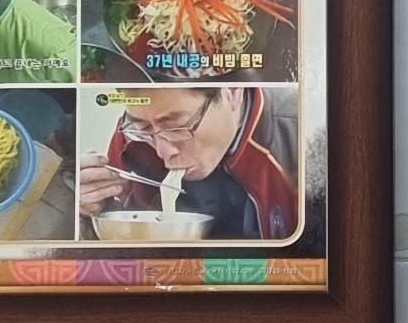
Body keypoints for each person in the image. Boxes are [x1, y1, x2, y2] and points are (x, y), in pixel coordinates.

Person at [78, 83, 296, 241]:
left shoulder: (301, 138)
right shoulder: (133, 138)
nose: (163, 152)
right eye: (143, 127)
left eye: (177, 127)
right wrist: (93, 210)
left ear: (232, 91)